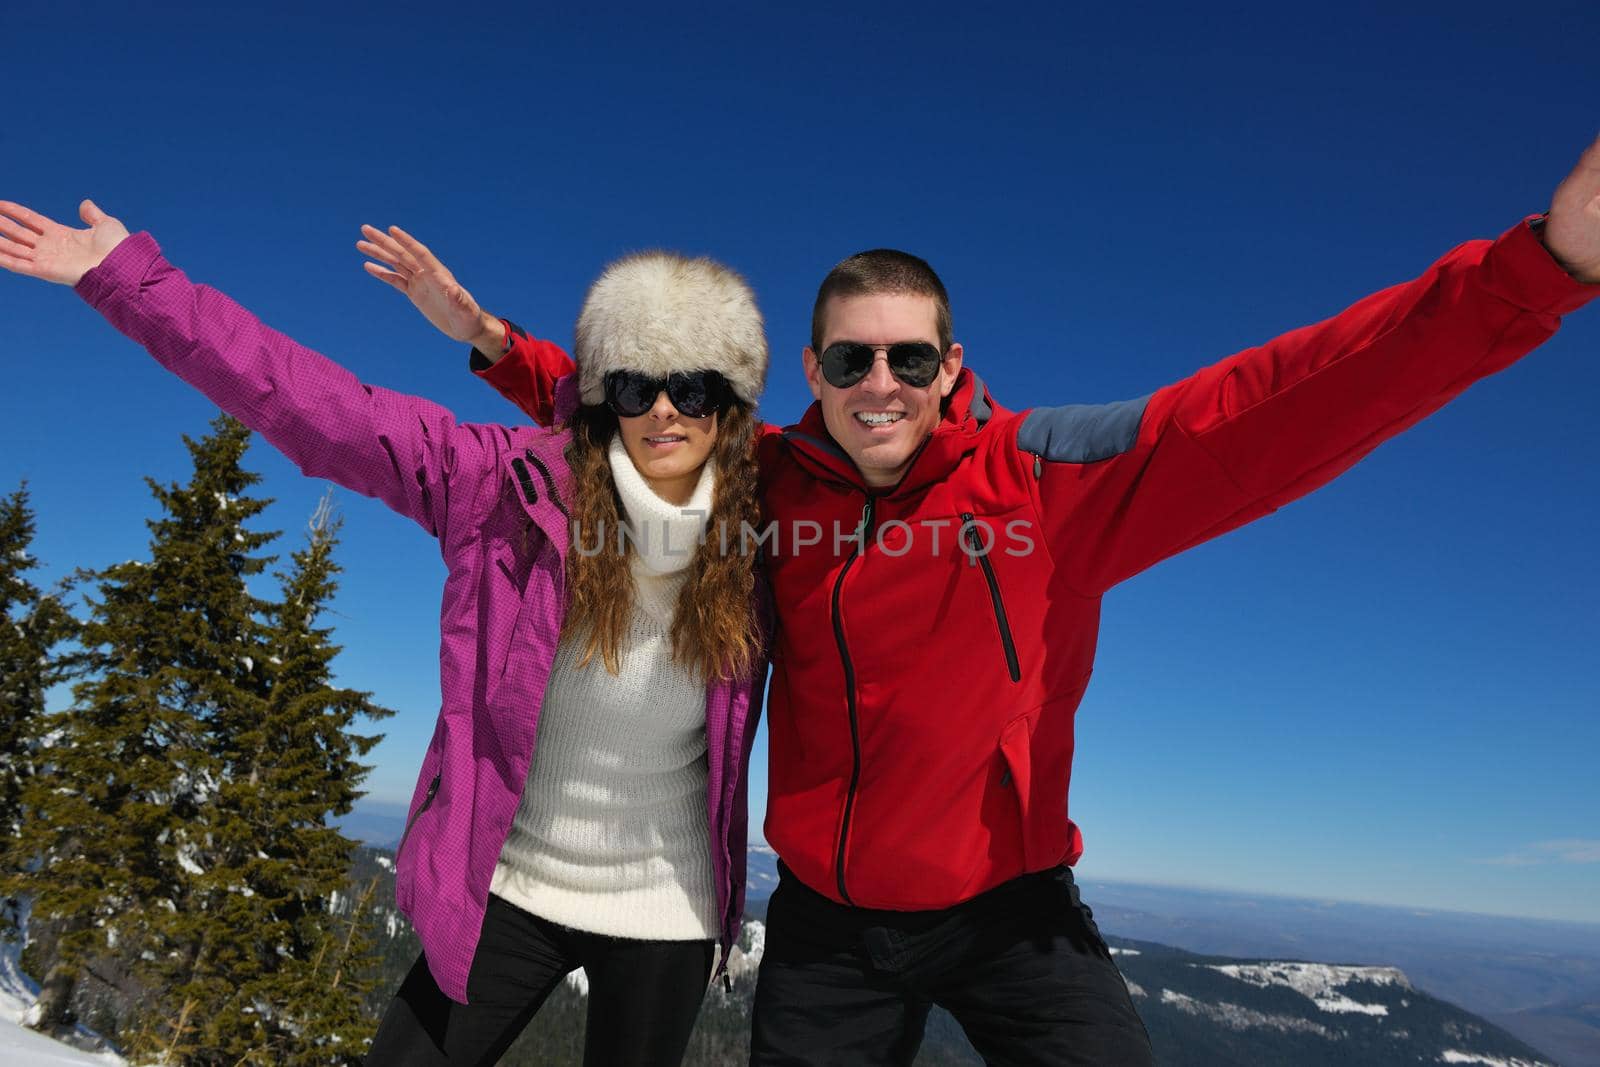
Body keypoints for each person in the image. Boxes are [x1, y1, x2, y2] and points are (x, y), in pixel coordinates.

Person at [370, 135, 1600, 1065]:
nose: (881, 382)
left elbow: (1281, 402)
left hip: (1012, 918)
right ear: (812, 372)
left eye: (910, 356)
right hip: (829, 926)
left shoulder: (1049, 482)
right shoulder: (772, 483)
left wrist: (1537, 271)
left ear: (951, 364)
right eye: (851, 358)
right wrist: (493, 343)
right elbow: (648, 422)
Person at [0, 202, 773, 1067]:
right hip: (508, 884)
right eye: (635, 385)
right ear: (606, 398)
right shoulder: (502, 487)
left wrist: (490, 334)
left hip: (668, 908)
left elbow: (890, 448)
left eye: (694, 387)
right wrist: (134, 285)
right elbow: (322, 407)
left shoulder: (772, 526)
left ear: (730, 404)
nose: (664, 412)